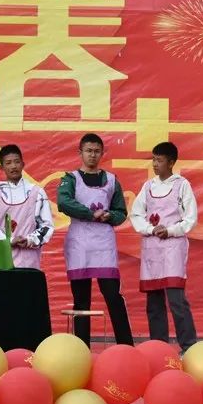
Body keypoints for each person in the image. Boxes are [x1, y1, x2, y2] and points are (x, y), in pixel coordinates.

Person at [57, 133, 134, 347]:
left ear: (102, 153)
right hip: (79, 243)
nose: (92, 155)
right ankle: (82, 349)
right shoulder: (70, 179)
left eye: (97, 151)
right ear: (80, 152)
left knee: (113, 296)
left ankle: (126, 346)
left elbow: (121, 212)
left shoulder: (112, 180)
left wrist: (110, 216)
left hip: (103, 244)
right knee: (81, 300)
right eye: (88, 151)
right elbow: (64, 203)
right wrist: (91, 214)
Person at [131, 142, 198, 354]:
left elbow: (190, 218)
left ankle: (189, 346)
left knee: (177, 300)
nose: (155, 164)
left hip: (172, 247)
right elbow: (136, 214)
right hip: (152, 247)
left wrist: (169, 230)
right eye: (153, 159)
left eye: (159, 160)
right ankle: (159, 348)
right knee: (154, 302)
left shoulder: (182, 185)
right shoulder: (147, 187)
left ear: (171, 162)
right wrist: (150, 229)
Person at [0, 144, 54, 269]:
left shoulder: (37, 193)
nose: (13, 166)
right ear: (1, 167)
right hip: (0, 262)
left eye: (17, 162)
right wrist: (8, 241)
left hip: (28, 262)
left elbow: (46, 226)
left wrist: (29, 240)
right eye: (8, 163)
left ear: (23, 164)